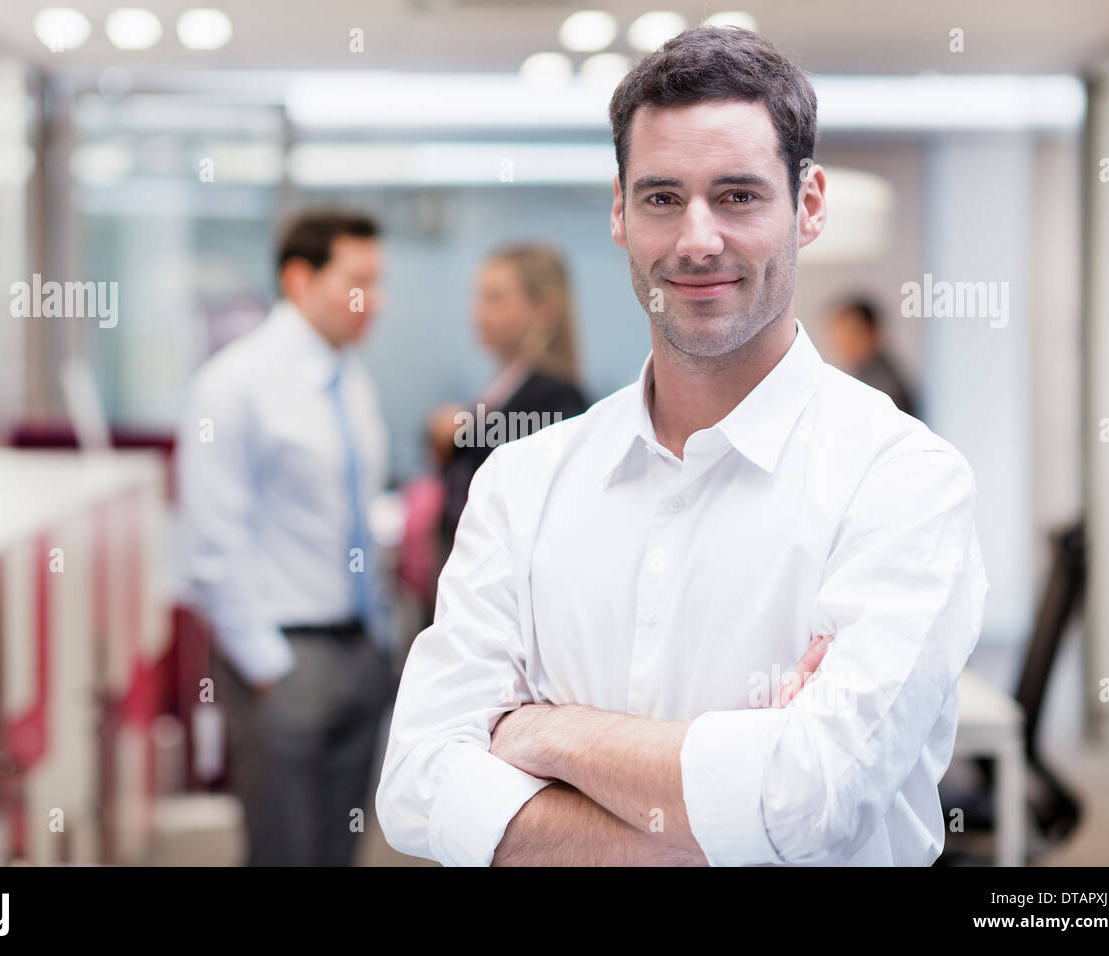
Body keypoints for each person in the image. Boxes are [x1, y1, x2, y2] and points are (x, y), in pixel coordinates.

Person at [376, 26, 988, 867]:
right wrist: (731, 800)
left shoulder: (902, 482)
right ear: (621, 212)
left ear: (807, 206)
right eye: (663, 198)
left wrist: (542, 734)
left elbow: (812, 802)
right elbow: (416, 787)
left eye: (738, 196)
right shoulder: (524, 483)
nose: (698, 240)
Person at [177, 209, 396, 866]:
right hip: (283, 661)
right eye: (358, 282)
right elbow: (210, 547)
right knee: (285, 853)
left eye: (379, 283)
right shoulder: (233, 384)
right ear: (301, 280)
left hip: (359, 655)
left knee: (338, 852)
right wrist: (268, 668)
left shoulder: (350, 379)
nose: (374, 303)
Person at [430, 243, 590, 562]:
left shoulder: (556, 399)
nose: (476, 312)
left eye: (495, 298)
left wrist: (459, 437)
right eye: (478, 296)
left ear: (544, 309)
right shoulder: (504, 387)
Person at [826, 297, 918, 418]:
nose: (844, 343)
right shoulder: (863, 377)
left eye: (852, 335)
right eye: (840, 337)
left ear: (873, 331)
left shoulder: (885, 388)